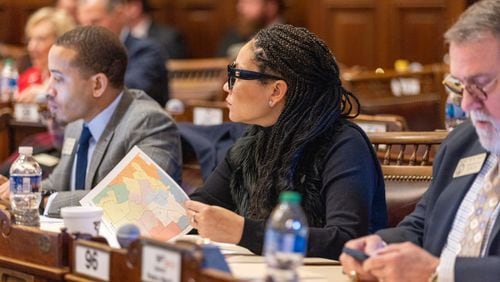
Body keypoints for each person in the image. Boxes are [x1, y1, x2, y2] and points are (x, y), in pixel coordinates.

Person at [186, 24, 387, 259]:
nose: (225, 86)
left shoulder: (344, 144)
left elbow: (346, 239)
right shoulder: (252, 139)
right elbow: (201, 205)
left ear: (276, 91)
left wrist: (243, 231)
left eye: (236, 75)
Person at [340, 1, 500, 281]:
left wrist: (438, 272)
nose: (467, 103)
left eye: (481, 83)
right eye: (460, 86)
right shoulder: (462, 144)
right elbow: (422, 225)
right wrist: (380, 247)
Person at [0, 26, 181, 217]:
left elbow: (138, 199)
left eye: (59, 79)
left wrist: (40, 199)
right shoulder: (77, 122)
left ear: (97, 84)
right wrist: (17, 189)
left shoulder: (148, 122)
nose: (48, 91)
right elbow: (57, 185)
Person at [78, 0, 169, 106]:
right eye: (82, 24)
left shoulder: (146, 51)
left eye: (95, 21)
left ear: (119, 15)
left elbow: (131, 90)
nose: (87, 30)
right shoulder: (82, 53)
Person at [14, 7, 75, 103]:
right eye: (30, 39)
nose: (31, 47)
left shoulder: (74, 77)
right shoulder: (27, 77)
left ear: (61, 42)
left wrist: (43, 95)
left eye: (41, 39)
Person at [216, 0, 284, 59]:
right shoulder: (236, 32)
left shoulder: (287, 41)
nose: (240, 7)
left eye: (249, 2)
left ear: (271, 7)